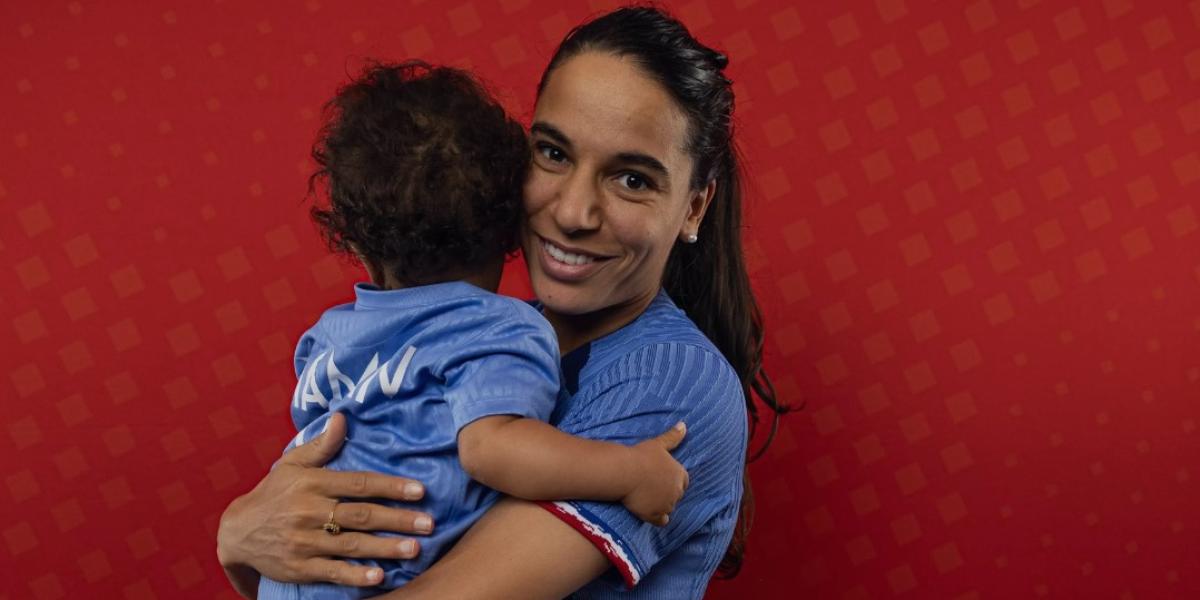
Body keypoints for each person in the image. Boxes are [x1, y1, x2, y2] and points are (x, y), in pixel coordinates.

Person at [217, 7, 787, 599]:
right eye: (554, 154)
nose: (572, 213)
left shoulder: (674, 381)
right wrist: (243, 534)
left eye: (633, 180)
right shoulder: (481, 338)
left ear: (694, 206)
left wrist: (249, 539)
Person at [252, 60, 689, 600]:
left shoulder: (326, 338)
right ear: (507, 223)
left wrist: (242, 538)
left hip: (294, 576)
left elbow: (309, 463)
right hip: (378, 575)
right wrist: (629, 472)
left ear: (356, 245)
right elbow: (492, 450)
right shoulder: (497, 328)